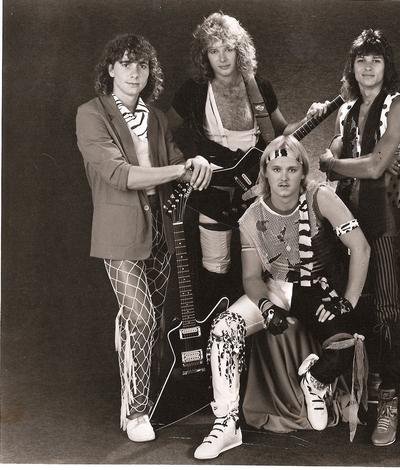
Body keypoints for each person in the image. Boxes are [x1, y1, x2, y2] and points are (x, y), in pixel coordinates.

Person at [193, 135, 371, 459]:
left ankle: (314, 381)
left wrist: (347, 302)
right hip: (275, 288)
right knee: (224, 328)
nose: (284, 177)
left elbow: (361, 247)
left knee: (345, 345)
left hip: (317, 287)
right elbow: (251, 277)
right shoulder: (252, 215)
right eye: (276, 169)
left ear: (303, 171)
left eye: (292, 169)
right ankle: (226, 423)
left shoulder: (321, 197)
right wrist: (265, 306)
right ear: (265, 172)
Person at [76, 33, 213, 442]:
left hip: (162, 227)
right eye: (126, 64)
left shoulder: (155, 118)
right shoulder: (91, 114)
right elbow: (119, 174)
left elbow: (176, 161)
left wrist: (195, 163)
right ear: (111, 69)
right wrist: (179, 170)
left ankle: (140, 395)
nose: (134, 72)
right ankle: (136, 413)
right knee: (141, 317)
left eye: (142, 65)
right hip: (118, 230)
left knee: (151, 322)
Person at [167, 12, 326, 307]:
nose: (222, 58)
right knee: (215, 269)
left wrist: (310, 118)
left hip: (256, 190)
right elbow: (164, 131)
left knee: (267, 266)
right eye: (214, 50)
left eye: (228, 48)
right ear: (205, 55)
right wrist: (188, 160)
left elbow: (282, 133)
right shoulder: (193, 90)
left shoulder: (258, 87)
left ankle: (265, 326)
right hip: (212, 194)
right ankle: (217, 328)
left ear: (239, 50)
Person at [319, 29, 400, 447]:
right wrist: (332, 160)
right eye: (361, 60)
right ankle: (357, 388)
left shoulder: (399, 105)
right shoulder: (346, 109)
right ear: (352, 66)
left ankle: (390, 400)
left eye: (376, 59)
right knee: (350, 303)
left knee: (387, 311)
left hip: (385, 219)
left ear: (386, 66)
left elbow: (375, 166)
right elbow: (332, 153)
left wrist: (333, 163)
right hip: (347, 221)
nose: (368, 67)